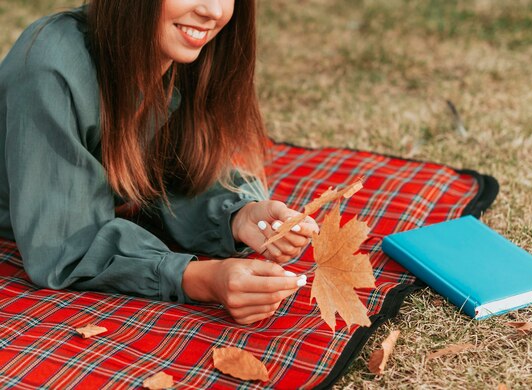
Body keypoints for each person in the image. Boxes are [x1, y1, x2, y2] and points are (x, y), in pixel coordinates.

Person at [0, 0, 318, 325]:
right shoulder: (50, 67)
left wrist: (239, 215)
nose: (213, 11)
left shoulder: (185, 52)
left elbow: (178, 167)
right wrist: (199, 278)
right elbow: (64, 244)